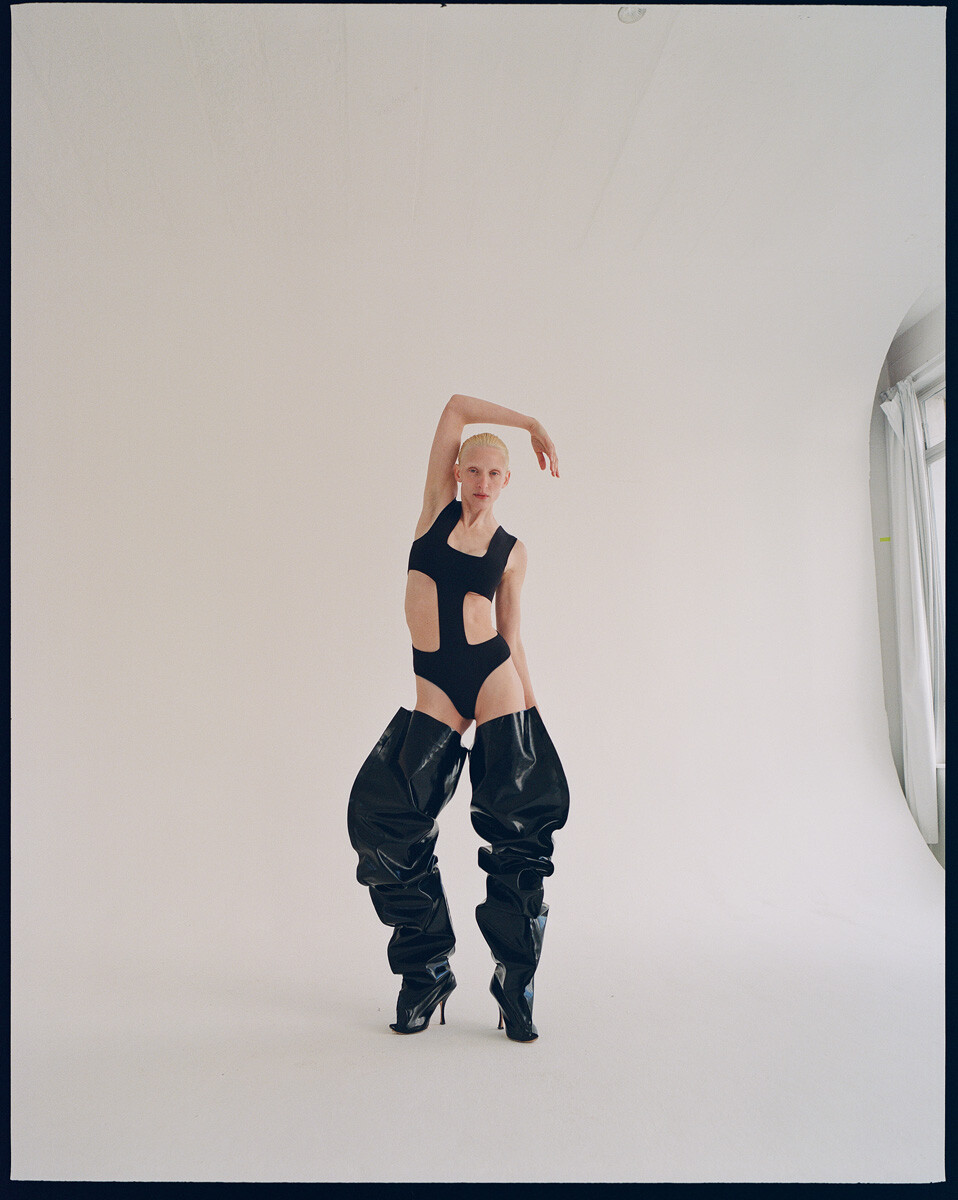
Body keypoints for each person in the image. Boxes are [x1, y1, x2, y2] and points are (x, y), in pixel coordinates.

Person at [346, 393, 570, 1042]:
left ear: (507, 482)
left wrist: (532, 707)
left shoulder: (512, 550)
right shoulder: (432, 515)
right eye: (473, 470)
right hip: (437, 688)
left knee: (519, 833)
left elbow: (511, 634)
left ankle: (515, 981)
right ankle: (427, 971)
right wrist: (529, 423)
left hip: (493, 677)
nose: (482, 482)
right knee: (385, 821)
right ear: (456, 473)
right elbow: (453, 409)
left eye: (495, 474)